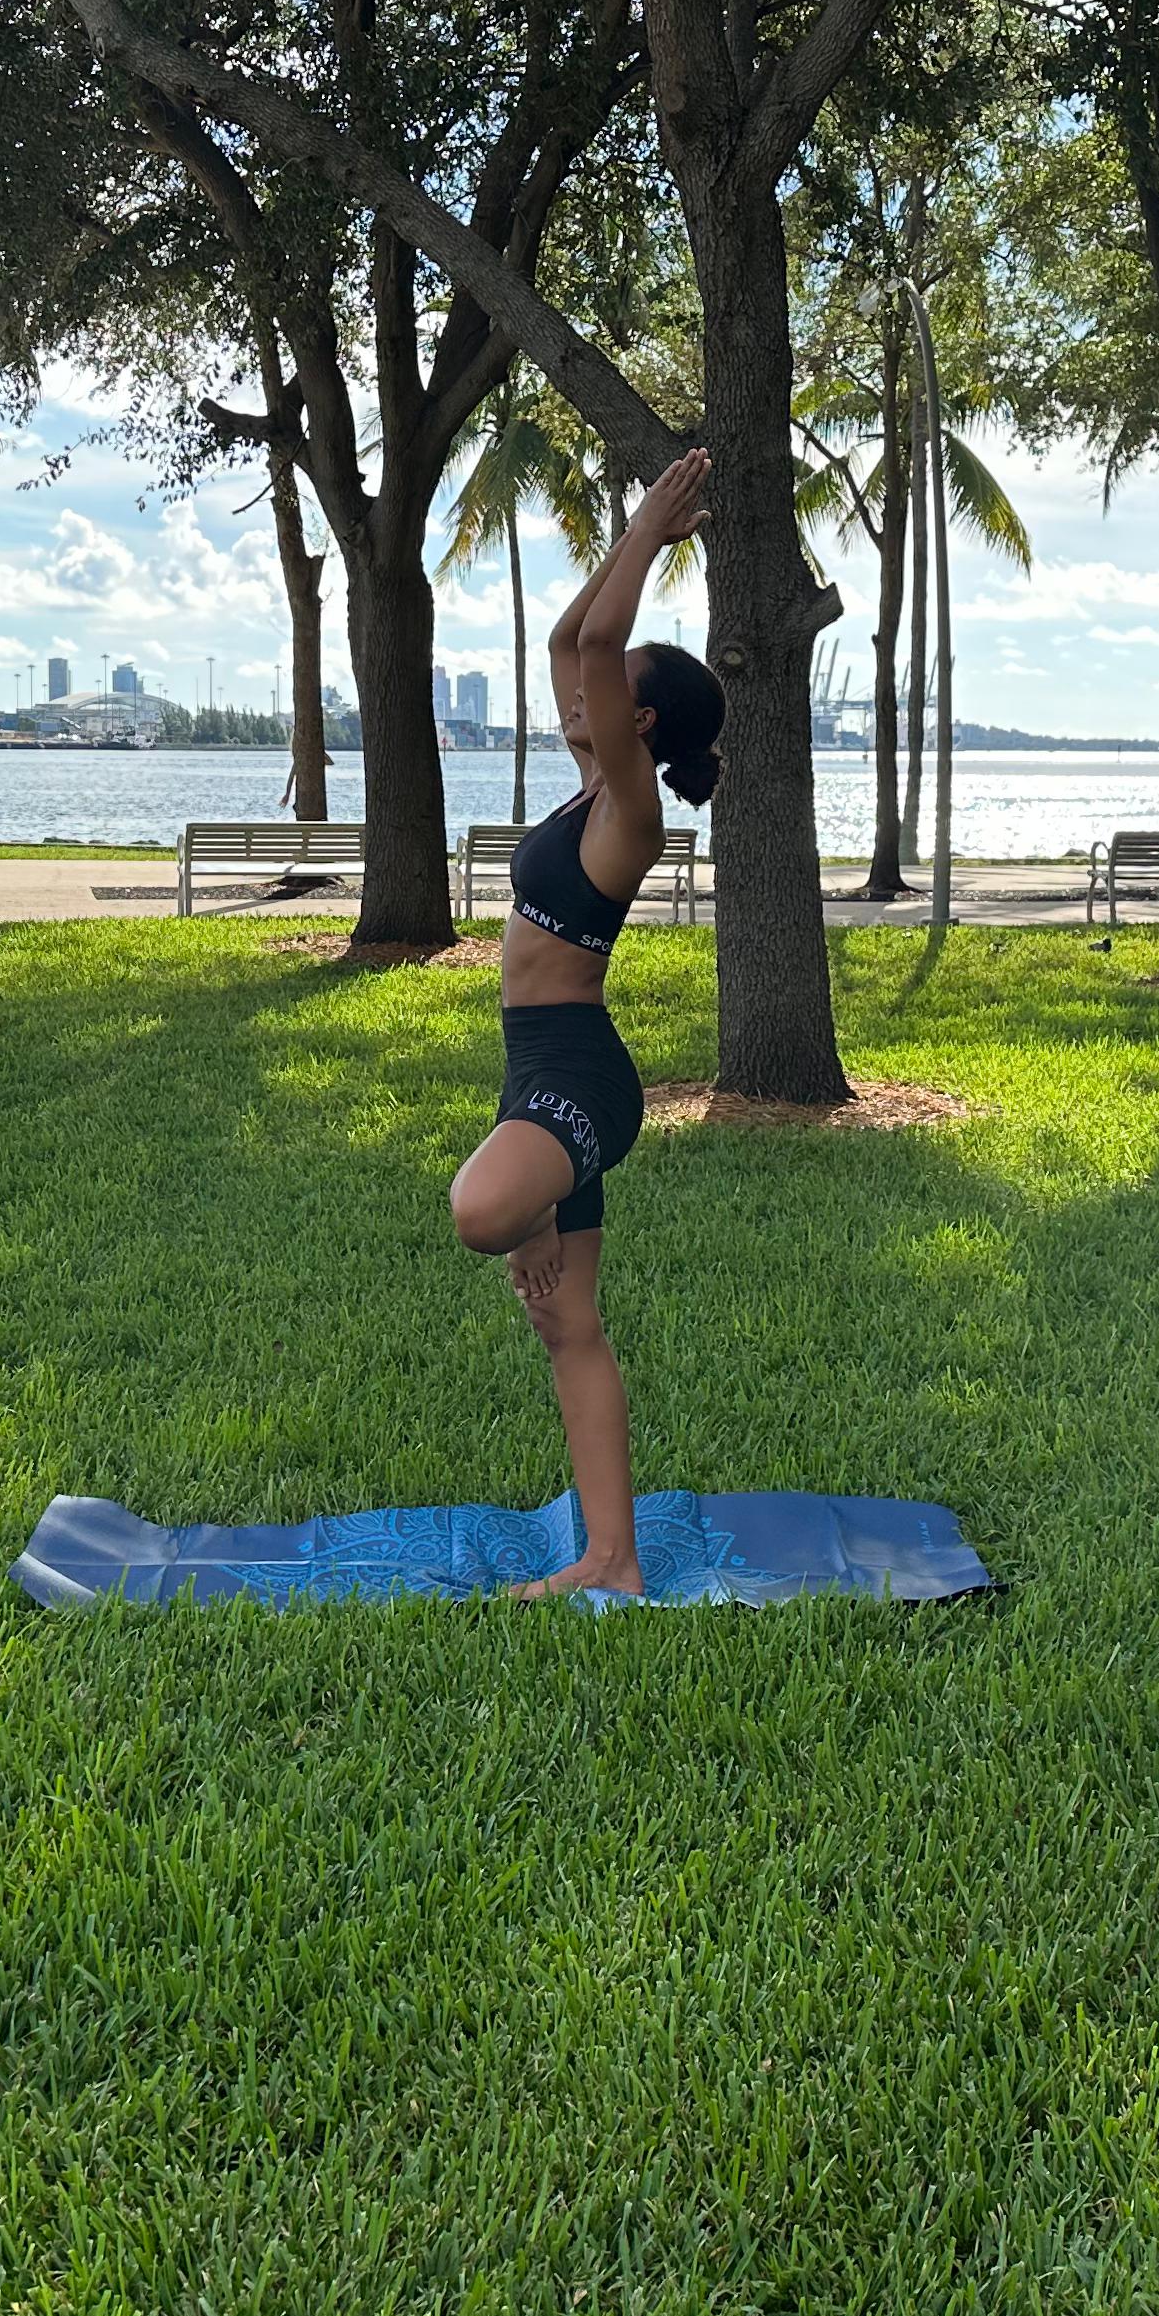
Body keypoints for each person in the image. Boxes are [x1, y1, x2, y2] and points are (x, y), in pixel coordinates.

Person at [448, 446, 726, 1602]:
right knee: (569, 1329)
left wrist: (655, 541)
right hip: (538, 1070)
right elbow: (578, 641)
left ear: (640, 717)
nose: (573, 691)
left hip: (582, 1079)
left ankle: (544, 1196)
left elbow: (599, 652)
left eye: (606, 695)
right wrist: (627, 534)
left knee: (482, 1211)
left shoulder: (630, 808)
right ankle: (610, 1560)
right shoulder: (584, 789)